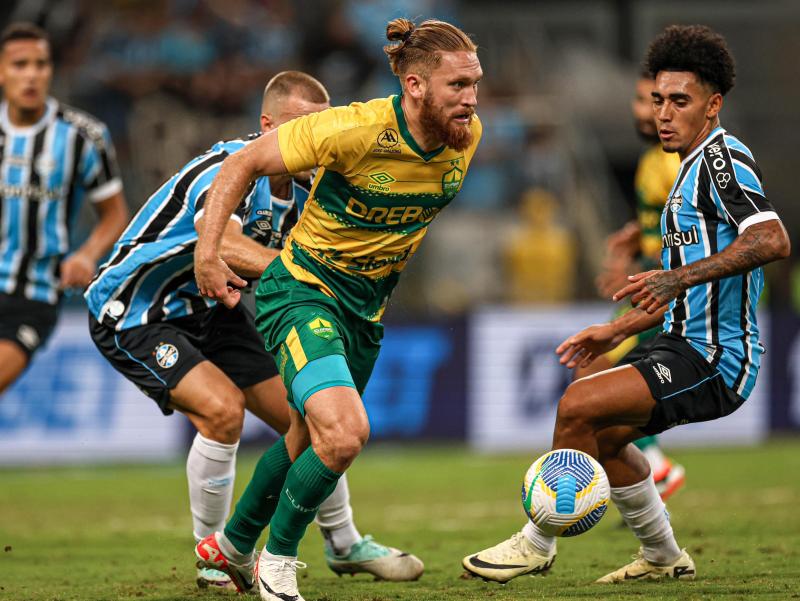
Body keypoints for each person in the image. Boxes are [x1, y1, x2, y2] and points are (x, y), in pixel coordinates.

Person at [463, 24, 790, 585]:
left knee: (578, 406)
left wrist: (673, 277)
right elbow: (692, 290)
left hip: (716, 358)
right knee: (610, 437)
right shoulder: (686, 169)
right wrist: (619, 330)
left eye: (679, 101)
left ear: (712, 106)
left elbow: (772, 239)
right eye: (659, 99)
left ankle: (537, 543)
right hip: (681, 341)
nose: (664, 113)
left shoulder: (720, 161)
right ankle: (663, 556)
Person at [85, 71, 423, 592]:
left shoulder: (310, 186)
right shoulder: (232, 169)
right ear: (268, 125)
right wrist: (313, 276)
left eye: (321, 126)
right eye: (298, 126)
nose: (311, 139)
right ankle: (215, 556)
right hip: (137, 310)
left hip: (212, 308)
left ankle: (345, 542)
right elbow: (223, 246)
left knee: (311, 413)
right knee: (222, 411)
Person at [194, 18, 482, 601]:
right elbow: (241, 164)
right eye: (458, 86)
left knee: (305, 440)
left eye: (476, 83)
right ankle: (277, 562)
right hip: (301, 291)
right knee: (346, 433)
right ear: (415, 86)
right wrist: (208, 252)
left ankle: (230, 549)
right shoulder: (354, 127)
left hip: (365, 312)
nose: (472, 99)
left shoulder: (467, 136)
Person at [0, 22, 128, 393]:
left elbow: (114, 212)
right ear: (2, 71)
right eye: (20, 65)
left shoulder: (83, 136)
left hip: (33, 295)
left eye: (41, 64)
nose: (31, 76)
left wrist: (87, 254)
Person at [583, 70, 685, 501]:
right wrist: (635, 234)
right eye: (643, 100)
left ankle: (652, 469)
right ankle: (651, 467)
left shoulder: (672, 161)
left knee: (592, 374)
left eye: (659, 102)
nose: (648, 112)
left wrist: (650, 261)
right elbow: (661, 220)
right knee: (592, 374)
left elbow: (692, 235)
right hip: (646, 279)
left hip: (663, 291)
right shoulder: (651, 159)